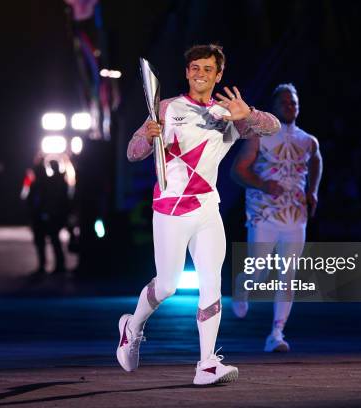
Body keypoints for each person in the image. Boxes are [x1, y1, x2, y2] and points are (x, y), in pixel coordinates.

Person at [118, 44, 280, 385]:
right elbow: (133, 153)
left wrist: (247, 115)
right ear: (187, 71)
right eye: (195, 68)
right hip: (169, 208)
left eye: (208, 68)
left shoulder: (229, 114)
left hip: (207, 208)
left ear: (218, 74)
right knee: (167, 286)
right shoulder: (166, 107)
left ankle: (206, 363)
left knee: (211, 283)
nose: (200, 73)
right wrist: (148, 138)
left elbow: (273, 127)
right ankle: (131, 327)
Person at [231, 83, 323, 352]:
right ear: (274, 106)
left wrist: (312, 191)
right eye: (284, 103)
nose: (290, 106)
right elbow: (237, 172)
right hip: (263, 213)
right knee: (258, 272)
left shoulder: (308, 140)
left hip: (296, 216)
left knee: (288, 274)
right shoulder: (258, 135)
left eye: (294, 102)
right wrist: (262, 184)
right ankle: (242, 285)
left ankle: (276, 334)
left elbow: (316, 160)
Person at [26, 160, 68, 275]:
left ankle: (52, 265)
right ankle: (54, 265)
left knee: (48, 241)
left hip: (47, 215)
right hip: (46, 215)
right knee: (49, 241)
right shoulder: (49, 182)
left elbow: (38, 201)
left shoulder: (46, 183)